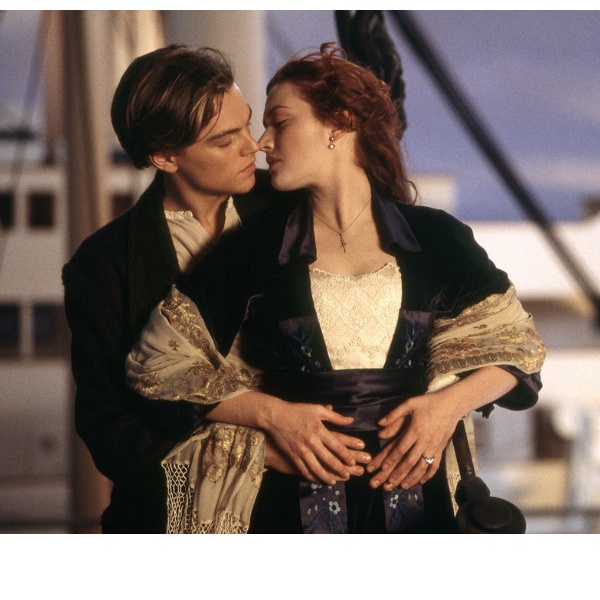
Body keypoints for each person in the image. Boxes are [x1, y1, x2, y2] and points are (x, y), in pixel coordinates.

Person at [127, 43, 546, 534]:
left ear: (339, 124)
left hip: (421, 500)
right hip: (289, 502)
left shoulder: (437, 237)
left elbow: (519, 348)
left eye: (279, 122)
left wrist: (445, 408)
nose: (262, 142)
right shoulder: (253, 248)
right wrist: (274, 417)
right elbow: (158, 363)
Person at [62, 44, 301, 533]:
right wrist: (259, 450)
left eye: (246, 124)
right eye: (224, 140)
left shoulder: (294, 207)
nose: (252, 147)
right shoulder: (101, 266)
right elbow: (112, 436)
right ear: (164, 156)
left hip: (308, 509)